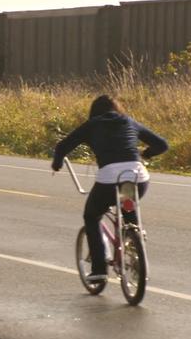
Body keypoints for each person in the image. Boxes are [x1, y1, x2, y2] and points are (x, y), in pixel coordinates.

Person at [52, 95, 168, 282]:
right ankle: (134, 236)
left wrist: (57, 164)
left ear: (94, 112)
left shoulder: (92, 125)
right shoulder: (129, 121)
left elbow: (62, 146)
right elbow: (162, 145)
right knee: (127, 208)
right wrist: (146, 154)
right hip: (137, 177)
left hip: (110, 180)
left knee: (92, 216)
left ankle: (99, 269)